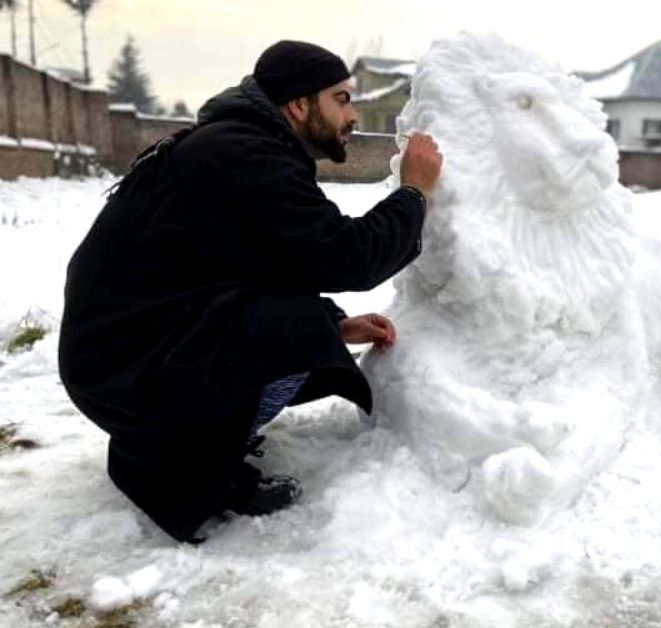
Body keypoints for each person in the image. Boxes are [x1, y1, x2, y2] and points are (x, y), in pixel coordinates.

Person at [58, 40, 443, 543]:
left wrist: (334, 325)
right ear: (299, 105)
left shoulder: (237, 147)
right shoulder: (241, 154)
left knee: (305, 323)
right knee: (294, 329)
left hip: (121, 361)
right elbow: (348, 256)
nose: (352, 114)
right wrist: (414, 192)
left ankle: (189, 441)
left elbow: (251, 268)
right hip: (125, 369)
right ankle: (193, 473)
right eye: (341, 99)